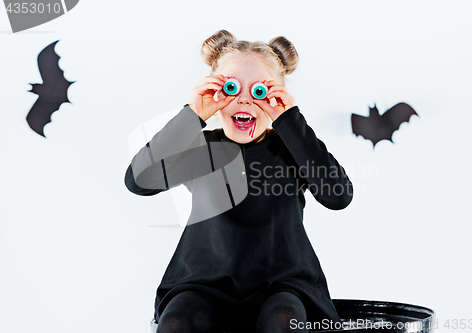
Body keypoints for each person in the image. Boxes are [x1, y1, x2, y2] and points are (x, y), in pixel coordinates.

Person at [124, 29, 353, 333]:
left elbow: (338, 196)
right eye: (231, 88)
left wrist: (290, 121)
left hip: (281, 285)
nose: (244, 100)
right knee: (178, 321)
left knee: (284, 318)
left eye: (259, 91)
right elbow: (139, 181)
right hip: (204, 285)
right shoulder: (201, 148)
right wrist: (192, 114)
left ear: (277, 96)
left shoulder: (291, 146)